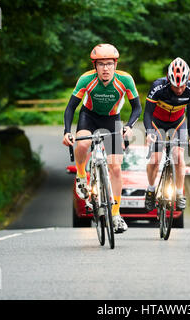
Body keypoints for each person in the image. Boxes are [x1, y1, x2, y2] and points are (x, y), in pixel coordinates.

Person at [62, 43, 142, 233]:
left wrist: (129, 127)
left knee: (115, 167)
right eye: (101, 64)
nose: (105, 68)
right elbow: (71, 107)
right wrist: (67, 131)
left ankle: (115, 215)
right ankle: (82, 175)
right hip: (88, 116)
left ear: (115, 65)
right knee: (83, 143)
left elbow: (137, 107)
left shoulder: (125, 80)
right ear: (95, 66)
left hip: (112, 118)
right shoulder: (86, 79)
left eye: (109, 64)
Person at [144, 57, 190, 212]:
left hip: (178, 123)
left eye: (182, 86)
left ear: (187, 80)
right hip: (157, 123)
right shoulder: (158, 87)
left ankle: (179, 193)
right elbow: (147, 113)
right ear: (169, 81)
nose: (179, 90)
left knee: (178, 156)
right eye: (175, 87)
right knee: (155, 158)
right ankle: (150, 189)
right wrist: (149, 132)